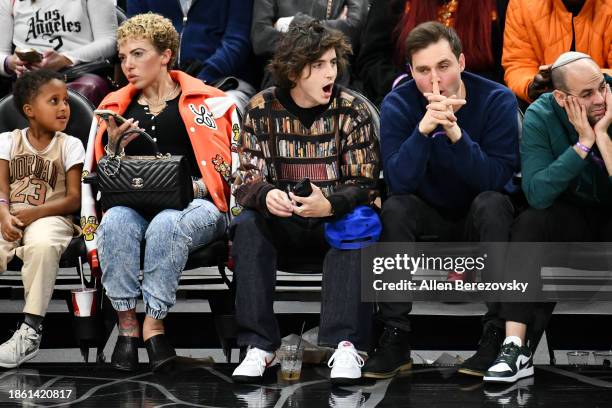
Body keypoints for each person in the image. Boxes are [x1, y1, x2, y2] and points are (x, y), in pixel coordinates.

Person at [80, 13, 240, 372]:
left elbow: (233, 173)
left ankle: (154, 323)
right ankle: (127, 327)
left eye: (138, 54)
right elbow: (98, 181)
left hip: (199, 204)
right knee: (117, 222)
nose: (128, 65)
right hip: (134, 205)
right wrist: (115, 148)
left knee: (166, 224)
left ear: (166, 55)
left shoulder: (212, 103)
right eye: (123, 57)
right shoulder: (111, 109)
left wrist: (187, 187)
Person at [364, 21, 520, 380]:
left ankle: (496, 334)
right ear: (411, 72)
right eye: (423, 70)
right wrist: (423, 130)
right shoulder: (398, 104)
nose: (435, 79)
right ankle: (395, 336)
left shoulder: (497, 100)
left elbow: (497, 179)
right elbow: (399, 182)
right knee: (395, 209)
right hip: (426, 210)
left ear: (462, 62)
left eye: (443, 66)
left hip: (477, 212)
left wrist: (454, 132)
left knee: (494, 203)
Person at [230, 19, 380, 384]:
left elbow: (367, 183)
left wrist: (329, 204)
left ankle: (346, 345)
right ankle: (259, 345)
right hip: (283, 221)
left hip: (332, 219)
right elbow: (244, 178)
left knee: (357, 221)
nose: (330, 72)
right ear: (295, 70)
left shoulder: (352, 110)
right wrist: (268, 196)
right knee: (247, 224)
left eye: (332, 63)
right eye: (319, 66)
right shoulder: (260, 108)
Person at [480, 52, 612, 383]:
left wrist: (604, 136)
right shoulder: (541, 115)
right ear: (561, 97)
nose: (598, 99)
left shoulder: (610, 101)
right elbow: (537, 193)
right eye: (586, 95)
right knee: (530, 222)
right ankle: (514, 348)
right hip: (571, 216)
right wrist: (582, 144)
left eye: (601, 87)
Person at [0, 70, 84, 368]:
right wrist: (5, 216)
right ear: (29, 111)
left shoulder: (70, 144)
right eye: (54, 101)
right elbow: (0, 192)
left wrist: (33, 214)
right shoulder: (7, 141)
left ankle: (30, 331)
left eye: (65, 100)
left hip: (52, 215)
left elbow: (74, 199)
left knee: (43, 245)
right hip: (9, 215)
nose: (64, 107)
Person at [356, 0, 508, 106]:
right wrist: (405, 86)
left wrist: (465, 90)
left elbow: (507, 62)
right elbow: (372, 58)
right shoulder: (393, 4)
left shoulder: (497, 4)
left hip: (479, 99)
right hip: (410, 97)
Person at [0, 0, 118, 105]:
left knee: (86, 90)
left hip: (79, 73)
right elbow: (1, 54)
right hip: (29, 79)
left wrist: (66, 59)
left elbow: (110, 40)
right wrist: (10, 62)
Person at [503, 0, 612, 105]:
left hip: (604, 100)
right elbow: (518, 64)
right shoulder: (523, 4)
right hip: (548, 105)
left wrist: (574, 78)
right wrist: (530, 86)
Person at [126, 0, 255, 88]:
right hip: (157, 82)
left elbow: (237, 41)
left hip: (223, 82)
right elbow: (135, 40)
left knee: (222, 111)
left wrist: (203, 77)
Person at [251, 0, 368, 88]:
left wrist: (293, 22)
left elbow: (353, 29)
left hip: (335, 75)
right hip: (284, 76)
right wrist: (332, 27)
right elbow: (260, 39)